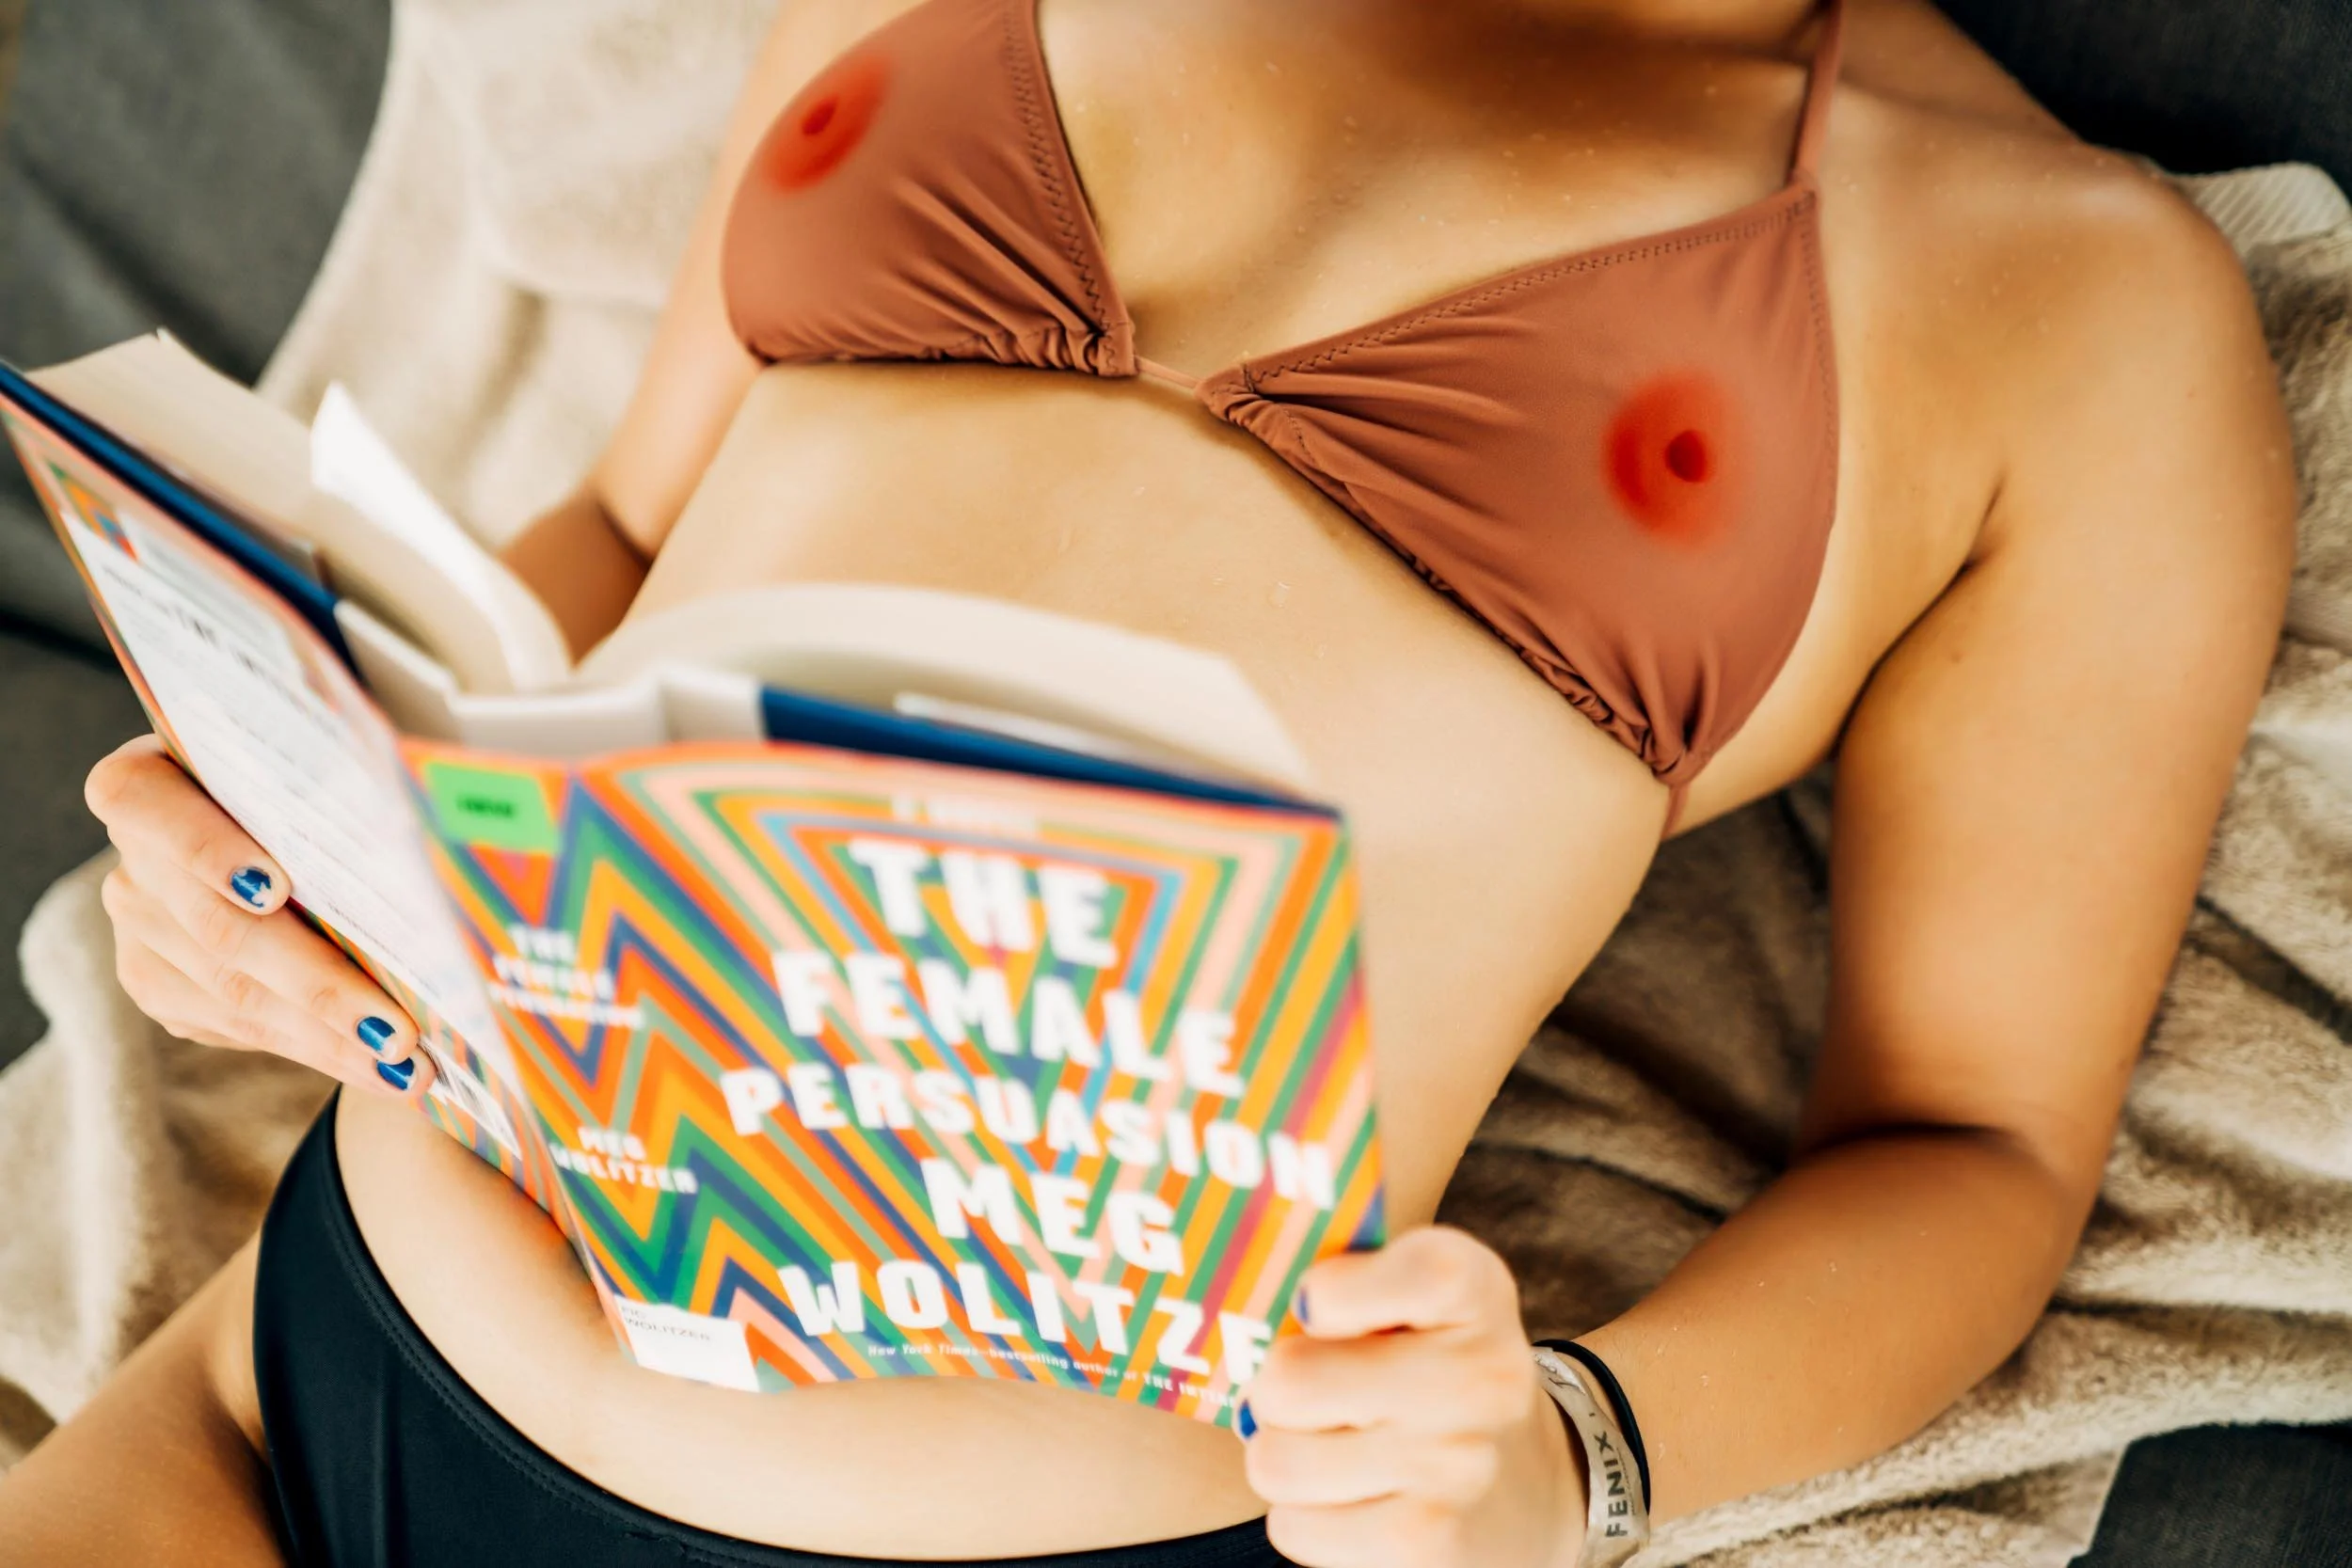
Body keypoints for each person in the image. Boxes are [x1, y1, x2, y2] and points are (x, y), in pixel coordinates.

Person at [0, 0, 2297, 1562]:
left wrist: (1575, 1453)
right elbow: (615, 541)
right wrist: (272, 799)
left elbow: (1967, 1152)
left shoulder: (2057, 293)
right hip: (310, 1368)